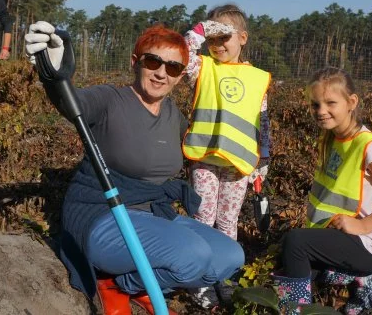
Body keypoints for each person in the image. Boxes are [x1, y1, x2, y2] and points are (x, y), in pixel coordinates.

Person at [25, 21, 245, 315]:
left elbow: (203, 148)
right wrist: (53, 76)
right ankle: (114, 286)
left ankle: (133, 284)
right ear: (135, 62)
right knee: (193, 255)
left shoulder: (174, 116)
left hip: (155, 215)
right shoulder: (110, 99)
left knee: (229, 256)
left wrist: (250, 161)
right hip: (103, 216)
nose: (161, 73)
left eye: (173, 68)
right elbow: (71, 103)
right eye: (153, 61)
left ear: (180, 77)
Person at [274, 67, 372, 314]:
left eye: (331, 103)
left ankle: (294, 311)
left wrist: (361, 226)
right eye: (315, 104)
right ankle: (362, 279)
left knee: (295, 243)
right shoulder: (331, 138)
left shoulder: (368, 148)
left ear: (352, 102)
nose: (321, 111)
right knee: (286, 260)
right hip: (349, 238)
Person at [182, 3, 271, 308]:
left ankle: (224, 275)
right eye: (213, 39)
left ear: (243, 38)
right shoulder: (202, 67)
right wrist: (200, 31)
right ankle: (200, 280)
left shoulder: (259, 78)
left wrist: (265, 160)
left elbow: (262, 122)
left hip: (238, 166)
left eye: (225, 37)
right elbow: (182, 54)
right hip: (205, 159)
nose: (217, 45)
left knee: (228, 222)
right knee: (203, 219)